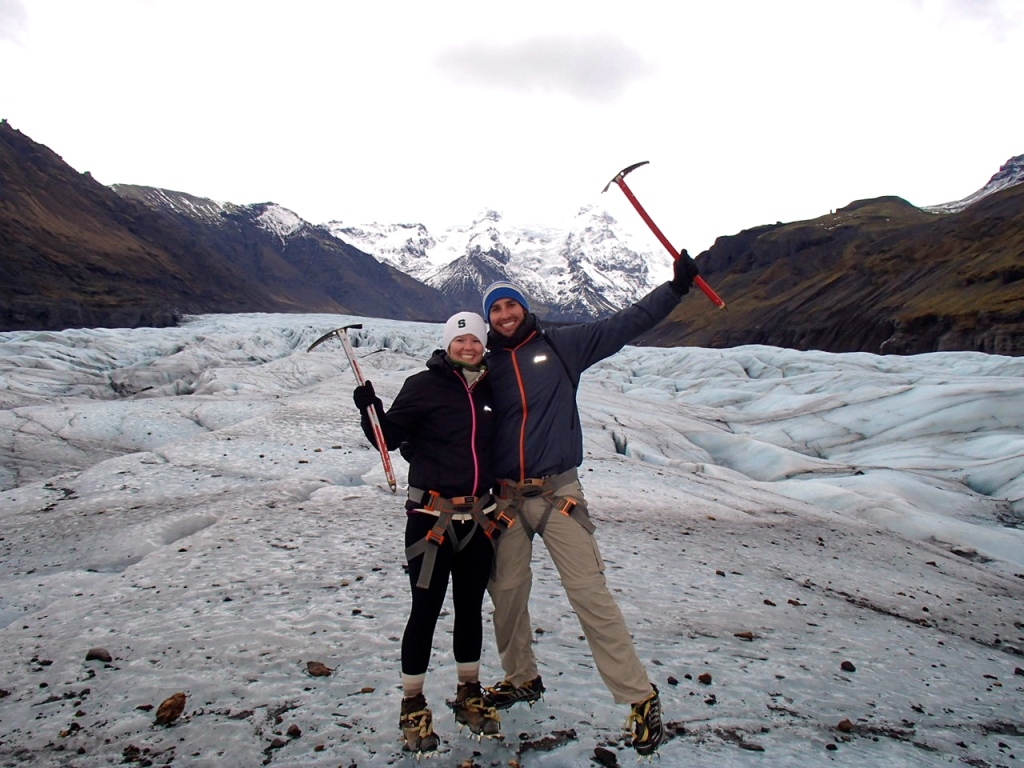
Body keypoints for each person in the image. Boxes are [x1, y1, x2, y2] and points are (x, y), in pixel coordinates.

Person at [478, 254, 701, 757]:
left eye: (512, 305)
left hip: (559, 495)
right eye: (496, 310)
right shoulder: (483, 365)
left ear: (524, 308)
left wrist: (675, 290)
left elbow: (624, 324)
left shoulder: (562, 345)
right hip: (507, 501)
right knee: (507, 594)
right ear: (488, 318)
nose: (506, 315)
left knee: (590, 595)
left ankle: (639, 697)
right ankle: (521, 679)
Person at [352, 311, 502, 754]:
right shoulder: (424, 385)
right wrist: (370, 411)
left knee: (470, 609)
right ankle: (413, 704)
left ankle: (468, 692)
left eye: (474, 339)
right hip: (430, 519)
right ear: (447, 345)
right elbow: (389, 438)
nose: (467, 347)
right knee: (425, 611)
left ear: (483, 344)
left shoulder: (494, 388)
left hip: (478, 520)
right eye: (460, 341)